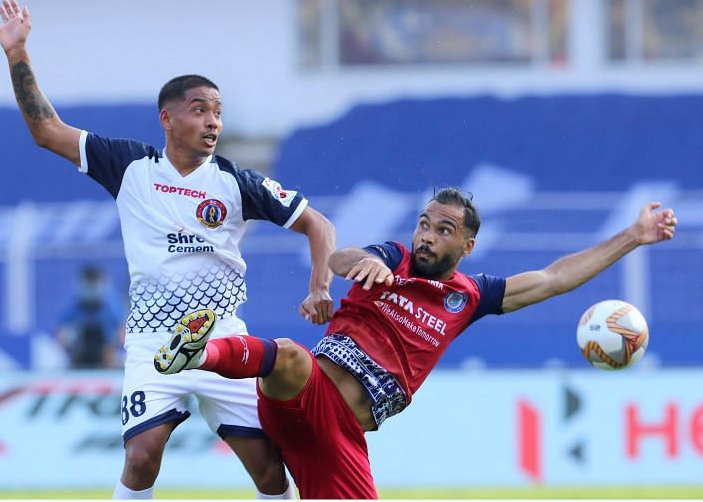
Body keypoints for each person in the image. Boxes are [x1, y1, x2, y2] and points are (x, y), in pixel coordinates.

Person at [0, 0, 336, 499]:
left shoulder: (238, 183)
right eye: (200, 110)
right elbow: (46, 130)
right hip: (153, 342)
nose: (213, 122)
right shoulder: (130, 167)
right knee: (142, 455)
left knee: (267, 469)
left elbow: (318, 224)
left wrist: (320, 285)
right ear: (167, 119)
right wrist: (17, 52)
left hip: (223, 341)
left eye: (218, 112)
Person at [155, 186, 679, 499]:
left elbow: (554, 277)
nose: (427, 235)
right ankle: (198, 352)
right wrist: (363, 262)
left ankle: (205, 355)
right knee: (289, 354)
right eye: (424, 224)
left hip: (339, 440)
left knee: (278, 475)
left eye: (443, 229)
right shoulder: (393, 259)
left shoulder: (470, 297)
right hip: (308, 393)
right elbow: (343, 257)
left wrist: (633, 237)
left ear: (467, 245)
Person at [57, 265, 125, 369]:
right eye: (88, 285)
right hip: (79, 353)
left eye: (94, 285)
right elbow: (61, 336)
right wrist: (71, 346)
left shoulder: (112, 305)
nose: (91, 290)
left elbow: (122, 334)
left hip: (106, 354)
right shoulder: (73, 304)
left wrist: (112, 346)